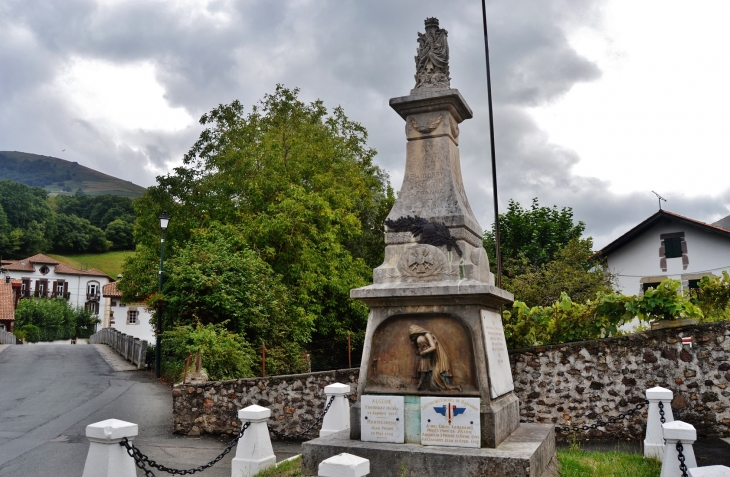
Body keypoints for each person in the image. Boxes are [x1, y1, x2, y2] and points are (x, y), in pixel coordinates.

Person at [409, 325, 459, 391]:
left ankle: (453, 387)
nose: (413, 337)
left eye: (413, 334)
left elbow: (433, 347)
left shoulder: (427, 335)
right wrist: (414, 346)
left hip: (438, 358)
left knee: (434, 384)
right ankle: (422, 384)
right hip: (430, 359)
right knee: (429, 380)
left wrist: (424, 352)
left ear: (416, 331)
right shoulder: (419, 340)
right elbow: (418, 353)